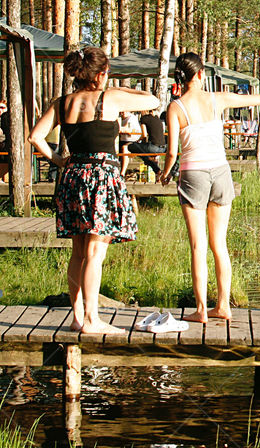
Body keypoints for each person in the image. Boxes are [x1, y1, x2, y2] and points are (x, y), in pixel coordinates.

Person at [28, 46, 160, 333]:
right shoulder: (108, 97)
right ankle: (92, 319)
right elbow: (153, 99)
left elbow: (35, 136)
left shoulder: (61, 102)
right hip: (101, 176)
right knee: (95, 252)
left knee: (78, 252)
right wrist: (120, 86)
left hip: (73, 176)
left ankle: (77, 318)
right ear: (101, 75)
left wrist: (59, 160)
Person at [159, 52, 260, 322]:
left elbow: (172, 152)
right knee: (219, 243)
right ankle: (223, 306)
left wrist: (164, 173)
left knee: (198, 246)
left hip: (192, 174)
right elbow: (259, 99)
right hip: (220, 173)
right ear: (200, 74)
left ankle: (200, 311)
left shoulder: (176, 108)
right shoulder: (216, 99)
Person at [128, 109, 166, 176]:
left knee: (131, 146)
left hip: (153, 147)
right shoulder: (157, 119)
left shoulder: (144, 118)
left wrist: (137, 141)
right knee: (144, 152)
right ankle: (155, 169)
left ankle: (154, 166)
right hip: (163, 148)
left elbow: (144, 135)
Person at [118, 110, 144, 175]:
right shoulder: (119, 118)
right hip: (122, 141)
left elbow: (127, 129)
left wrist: (120, 129)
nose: (122, 112)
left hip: (132, 141)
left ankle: (122, 172)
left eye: (124, 111)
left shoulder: (131, 118)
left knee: (124, 148)